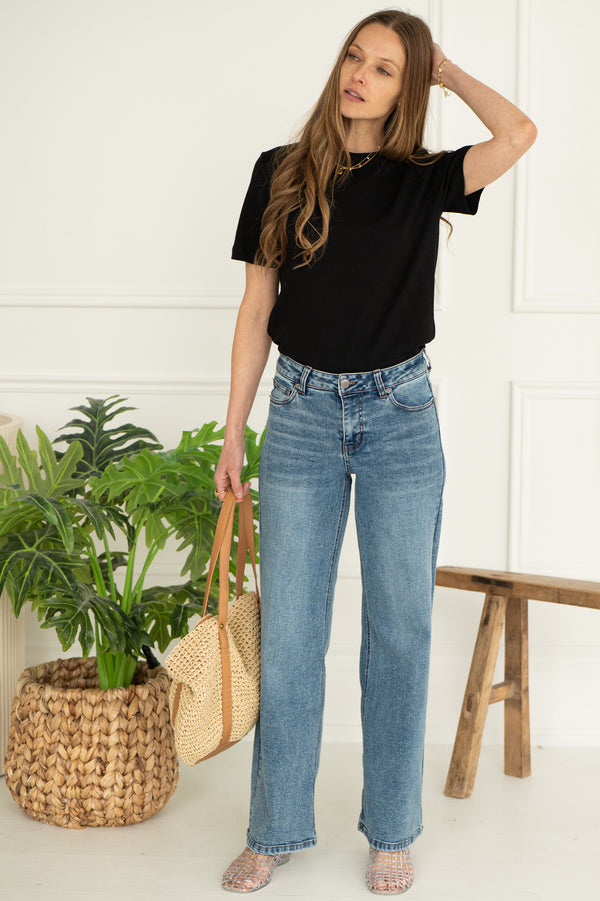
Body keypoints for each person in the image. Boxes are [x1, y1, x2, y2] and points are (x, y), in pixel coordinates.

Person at [214, 8, 536, 895]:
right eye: (356, 57)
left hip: (400, 416)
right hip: (300, 413)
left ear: (409, 87)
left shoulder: (425, 178)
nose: (360, 75)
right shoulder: (279, 172)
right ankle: (275, 827)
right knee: (292, 633)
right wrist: (235, 427)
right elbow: (256, 310)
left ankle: (392, 828)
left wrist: (448, 71)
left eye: (387, 68)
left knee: (398, 630)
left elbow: (519, 133)